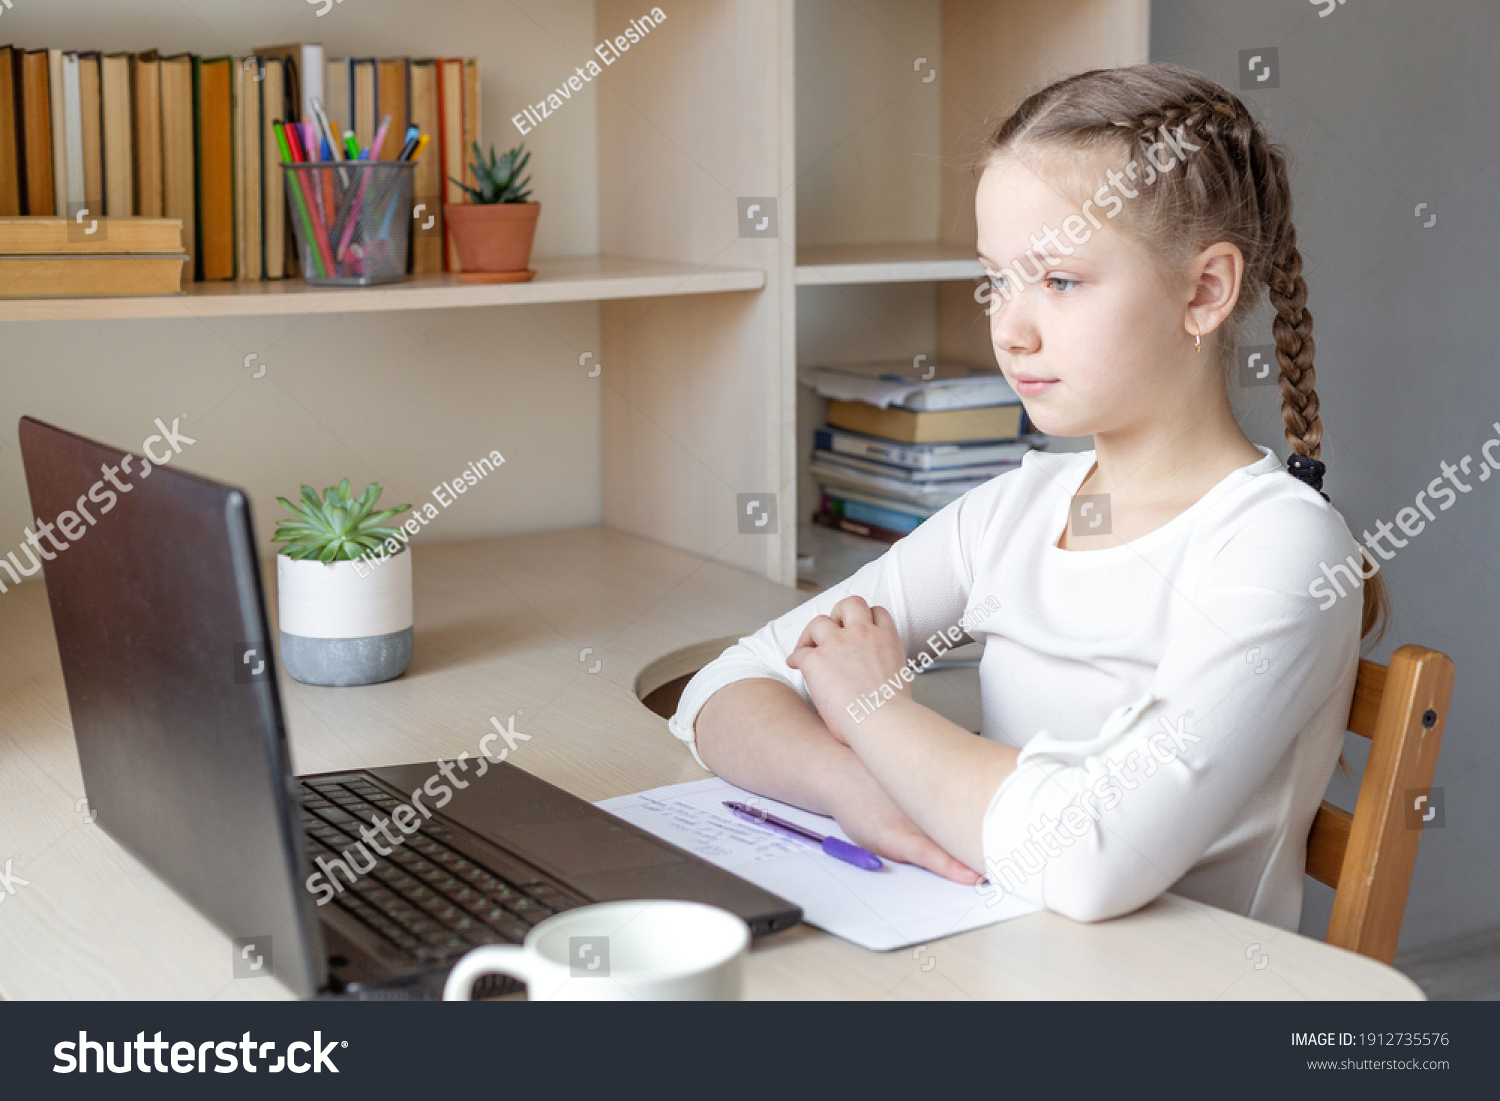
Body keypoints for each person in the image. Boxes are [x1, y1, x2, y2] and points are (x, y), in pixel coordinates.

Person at [668, 63, 1388, 930]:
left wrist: (873, 712)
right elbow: (722, 689)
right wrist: (861, 787)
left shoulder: (1281, 550)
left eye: (1059, 281)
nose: (1010, 328)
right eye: (996, 279)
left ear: (1204, 291)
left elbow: (1091, 859)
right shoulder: (1016, 511)